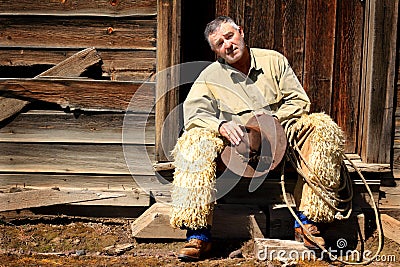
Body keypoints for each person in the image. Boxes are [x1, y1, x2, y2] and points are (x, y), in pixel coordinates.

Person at [169, 16, 345, 261]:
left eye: (229, 36)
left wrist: (272, 119)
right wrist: (220, 125)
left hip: (281, 131)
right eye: (219, 44)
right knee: (193, 143)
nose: (228, 45)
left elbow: (299, 101)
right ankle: (198, 234)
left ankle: (308, 221)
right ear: (216, 51)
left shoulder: (273, 60)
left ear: (240, 32)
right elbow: (194, 113)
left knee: (323, 129)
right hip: (237, 143)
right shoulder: (210, 75)